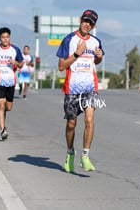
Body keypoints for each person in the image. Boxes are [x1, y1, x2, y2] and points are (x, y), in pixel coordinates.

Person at [56, 9, 104, 172]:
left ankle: (85, 156)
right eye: (85, 21)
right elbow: (61, 67)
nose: (87, 24)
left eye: (90, 23)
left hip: (90, 87)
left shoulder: (96, 41)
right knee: (71, 123)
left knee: (89, 120)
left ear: (93, 25)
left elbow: (96, 61)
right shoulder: (69, 40)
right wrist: (77, 53)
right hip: (72, 88)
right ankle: (70, 152)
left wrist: (99, 57)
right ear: (80, 20)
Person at [0, 27, 24, 140]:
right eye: (3, 37)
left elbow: (21, 64)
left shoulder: (15, 49)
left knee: (8, 107)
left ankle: (4, 114)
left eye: (7, 37)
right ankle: (3, 130)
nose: (5, 39)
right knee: (0, 104)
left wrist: (16, 62)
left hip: (10, 81)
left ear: (9, 37)